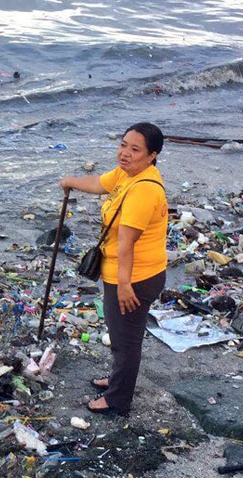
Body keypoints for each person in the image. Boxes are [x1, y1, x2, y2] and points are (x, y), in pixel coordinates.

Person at [60, 122, 168, 417]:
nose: (125, 153)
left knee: (125, 341)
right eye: (123, 145)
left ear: (152, 156)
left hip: (136, 278)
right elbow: (99, 184)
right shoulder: (126, 174)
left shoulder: (144, 190)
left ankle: (118, 400)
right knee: (120, 333)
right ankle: (118, 380)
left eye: (135, 149)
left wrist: (123, 286)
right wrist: (72, 181)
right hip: (125, 273)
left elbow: (126, 244)